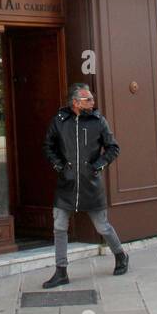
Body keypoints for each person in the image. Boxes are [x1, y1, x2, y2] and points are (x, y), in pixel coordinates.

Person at [41, 83, 127, 288]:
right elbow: (48, 146)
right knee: (59, 227)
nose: (92, 102)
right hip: (66, 185)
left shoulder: (99, 121)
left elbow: (113, 147)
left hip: (90, 184)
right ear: (75, 102)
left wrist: (98, 165)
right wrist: (59, 166)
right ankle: (61, 271)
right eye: (87, 99)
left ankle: (121, 255)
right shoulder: (59, 122)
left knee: (102, 226)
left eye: (92, 98)